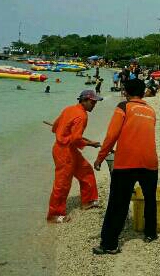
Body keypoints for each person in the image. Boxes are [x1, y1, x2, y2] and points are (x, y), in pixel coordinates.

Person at [93, 79, 159, 254]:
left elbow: (111, 135)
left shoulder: (123, 106)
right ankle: (151, 233)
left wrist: (100, 157)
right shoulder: (151, 111)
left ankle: (109, 244)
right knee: (150, 198)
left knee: (117, 203)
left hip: (127, 162)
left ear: (126, 92)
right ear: (143, 92)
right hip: (150, 162)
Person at [47, 90, 103, 223]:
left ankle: (87, 201)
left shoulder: (69, 109)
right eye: (92, 102)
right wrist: (90, 143)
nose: (94, 105)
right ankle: (54, 214)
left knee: (86, 171)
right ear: (83, 100)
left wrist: (65, 132)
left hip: (65, 148)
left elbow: (55, 127)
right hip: (64, 152)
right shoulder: (82, 116)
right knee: (62, 183)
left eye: (95, 102)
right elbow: (76, 139)